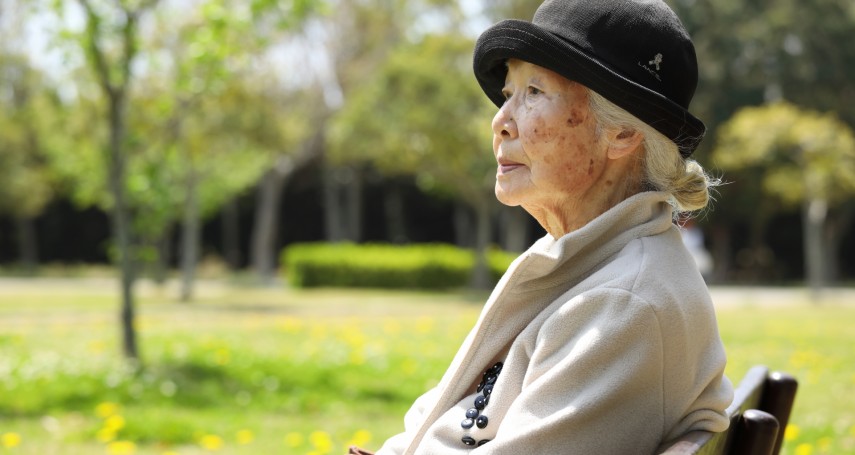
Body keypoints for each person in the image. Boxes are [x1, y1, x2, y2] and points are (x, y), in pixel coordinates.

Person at [354, 0, 734, 453]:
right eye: (508, 93)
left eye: (534, 92)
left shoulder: (623, 303)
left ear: (623, 134)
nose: (500, 122)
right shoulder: (584, 265)